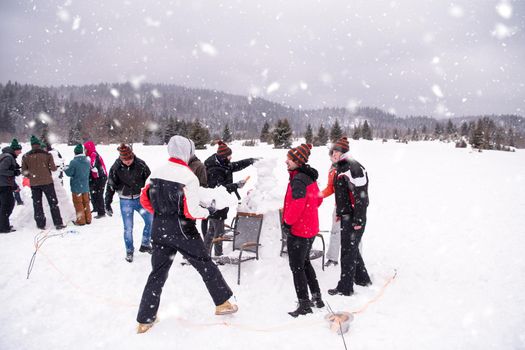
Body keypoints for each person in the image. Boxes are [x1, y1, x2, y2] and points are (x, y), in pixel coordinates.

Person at [136, 135, 238, 334]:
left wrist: (162, 213)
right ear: (187, 152)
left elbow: (144, 201)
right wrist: (209, 211)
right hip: (183, 230)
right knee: (205, 265)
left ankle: (144, 319)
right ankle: (223, 303)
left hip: (159, 229)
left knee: (157, 273)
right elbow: (192, 211)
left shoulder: (155, 173)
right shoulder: (188, 176)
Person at [282, 143, 325, 317]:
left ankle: (304, 304)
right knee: (305, 263)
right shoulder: (309, 177)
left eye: (289, 159)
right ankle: (317, 297)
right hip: (311, 228)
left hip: (300, 230)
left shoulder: (299, 179)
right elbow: (318, 200)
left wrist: (287, 222)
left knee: (297, 267)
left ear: (298, 162)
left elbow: (298, 204)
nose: (286, 162)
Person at [328, 136, 372, 296]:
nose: (334, 153)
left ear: (344, 152)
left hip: (355, 217)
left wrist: (358, 219)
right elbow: (342, 195)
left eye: (337, 151)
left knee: (347, 251)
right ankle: (362, 278)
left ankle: (345, 288)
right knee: (351, 249)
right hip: (347, 215)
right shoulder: (341, 167)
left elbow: (361, 196)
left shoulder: (353, 168)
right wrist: (340, 212)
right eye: (332, 151)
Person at [203, 140, 256, 256]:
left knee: (211, 231)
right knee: (218, 233)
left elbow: (235, 166)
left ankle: (204, 254)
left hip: (217, 205)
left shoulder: (222, 164)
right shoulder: (214, 170)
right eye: (229, 156)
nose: (230, 158)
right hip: (216, 205)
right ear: (223, 157)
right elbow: (219, 190)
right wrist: (236, 185)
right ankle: (218, 256)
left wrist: (250, 161)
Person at [105, 144, 152, 262]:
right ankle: (129, 250)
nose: (127, 162)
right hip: (125, 200)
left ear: (132, 155)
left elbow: (150, 182)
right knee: (128, 228)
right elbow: (110, 186)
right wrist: (107, 203)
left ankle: (145, 244)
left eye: (129, 159)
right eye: (124, 160)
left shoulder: (141, 164)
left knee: (151, 220)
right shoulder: (115, 167)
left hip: (140, 199)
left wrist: (152, 198)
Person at [21, 135, 65, 230]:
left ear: (32, 145)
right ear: (39, 145)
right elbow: (53, 168)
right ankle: (58, 223)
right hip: (47, 182)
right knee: (53, 203)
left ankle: (40, 224)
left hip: (34, 184)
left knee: (37, 204)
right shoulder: (47, 155)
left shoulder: (25, 156)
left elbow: (24, 171)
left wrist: (32, 176)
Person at [321, 148, 342, 267]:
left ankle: (357, 259)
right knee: (335, 231)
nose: (332, 158)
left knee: (353, 235)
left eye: (334, 156)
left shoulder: (348, 167)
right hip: (338, 206)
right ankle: (333, 258)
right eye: (331, 156)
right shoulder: (332, 170)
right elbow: (330, 187)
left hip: (351, 207)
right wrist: (319, 195)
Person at [64, 144, 92, 226]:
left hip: (77, 187)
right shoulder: (87, 161)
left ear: (75, 153)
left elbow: (70, 173)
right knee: (86, 202)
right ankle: (88, 219)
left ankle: (81, 221)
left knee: (78, 203)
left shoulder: (74, 162)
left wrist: (65, 168)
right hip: (85, 186)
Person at [0, 139, 23, 233]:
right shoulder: (8, 157)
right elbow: (1, 170)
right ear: (14, 150)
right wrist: (13, 172)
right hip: (4, 185)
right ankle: (4, 227)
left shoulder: (5, 156)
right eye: (19, 150)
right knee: (8, 205)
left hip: (3, 184)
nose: (20, 152)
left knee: (2, 205)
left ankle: (3, 225)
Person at [84, 140, 107, 218]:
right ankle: (96, 208)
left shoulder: (93, 154)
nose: (84, 150)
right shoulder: (90, 155)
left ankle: (101, 212)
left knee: (99, 194)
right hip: (96, 177)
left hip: (101, 177)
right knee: (93, 193)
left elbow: (92, 165)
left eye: (85, 148)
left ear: (89, 148)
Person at [188, 151, 208, 238]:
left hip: (195, 196)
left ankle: (205, 240)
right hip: (184, 197)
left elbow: (203, 183)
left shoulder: (199, 166)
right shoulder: (183, 164)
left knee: (203, 218)